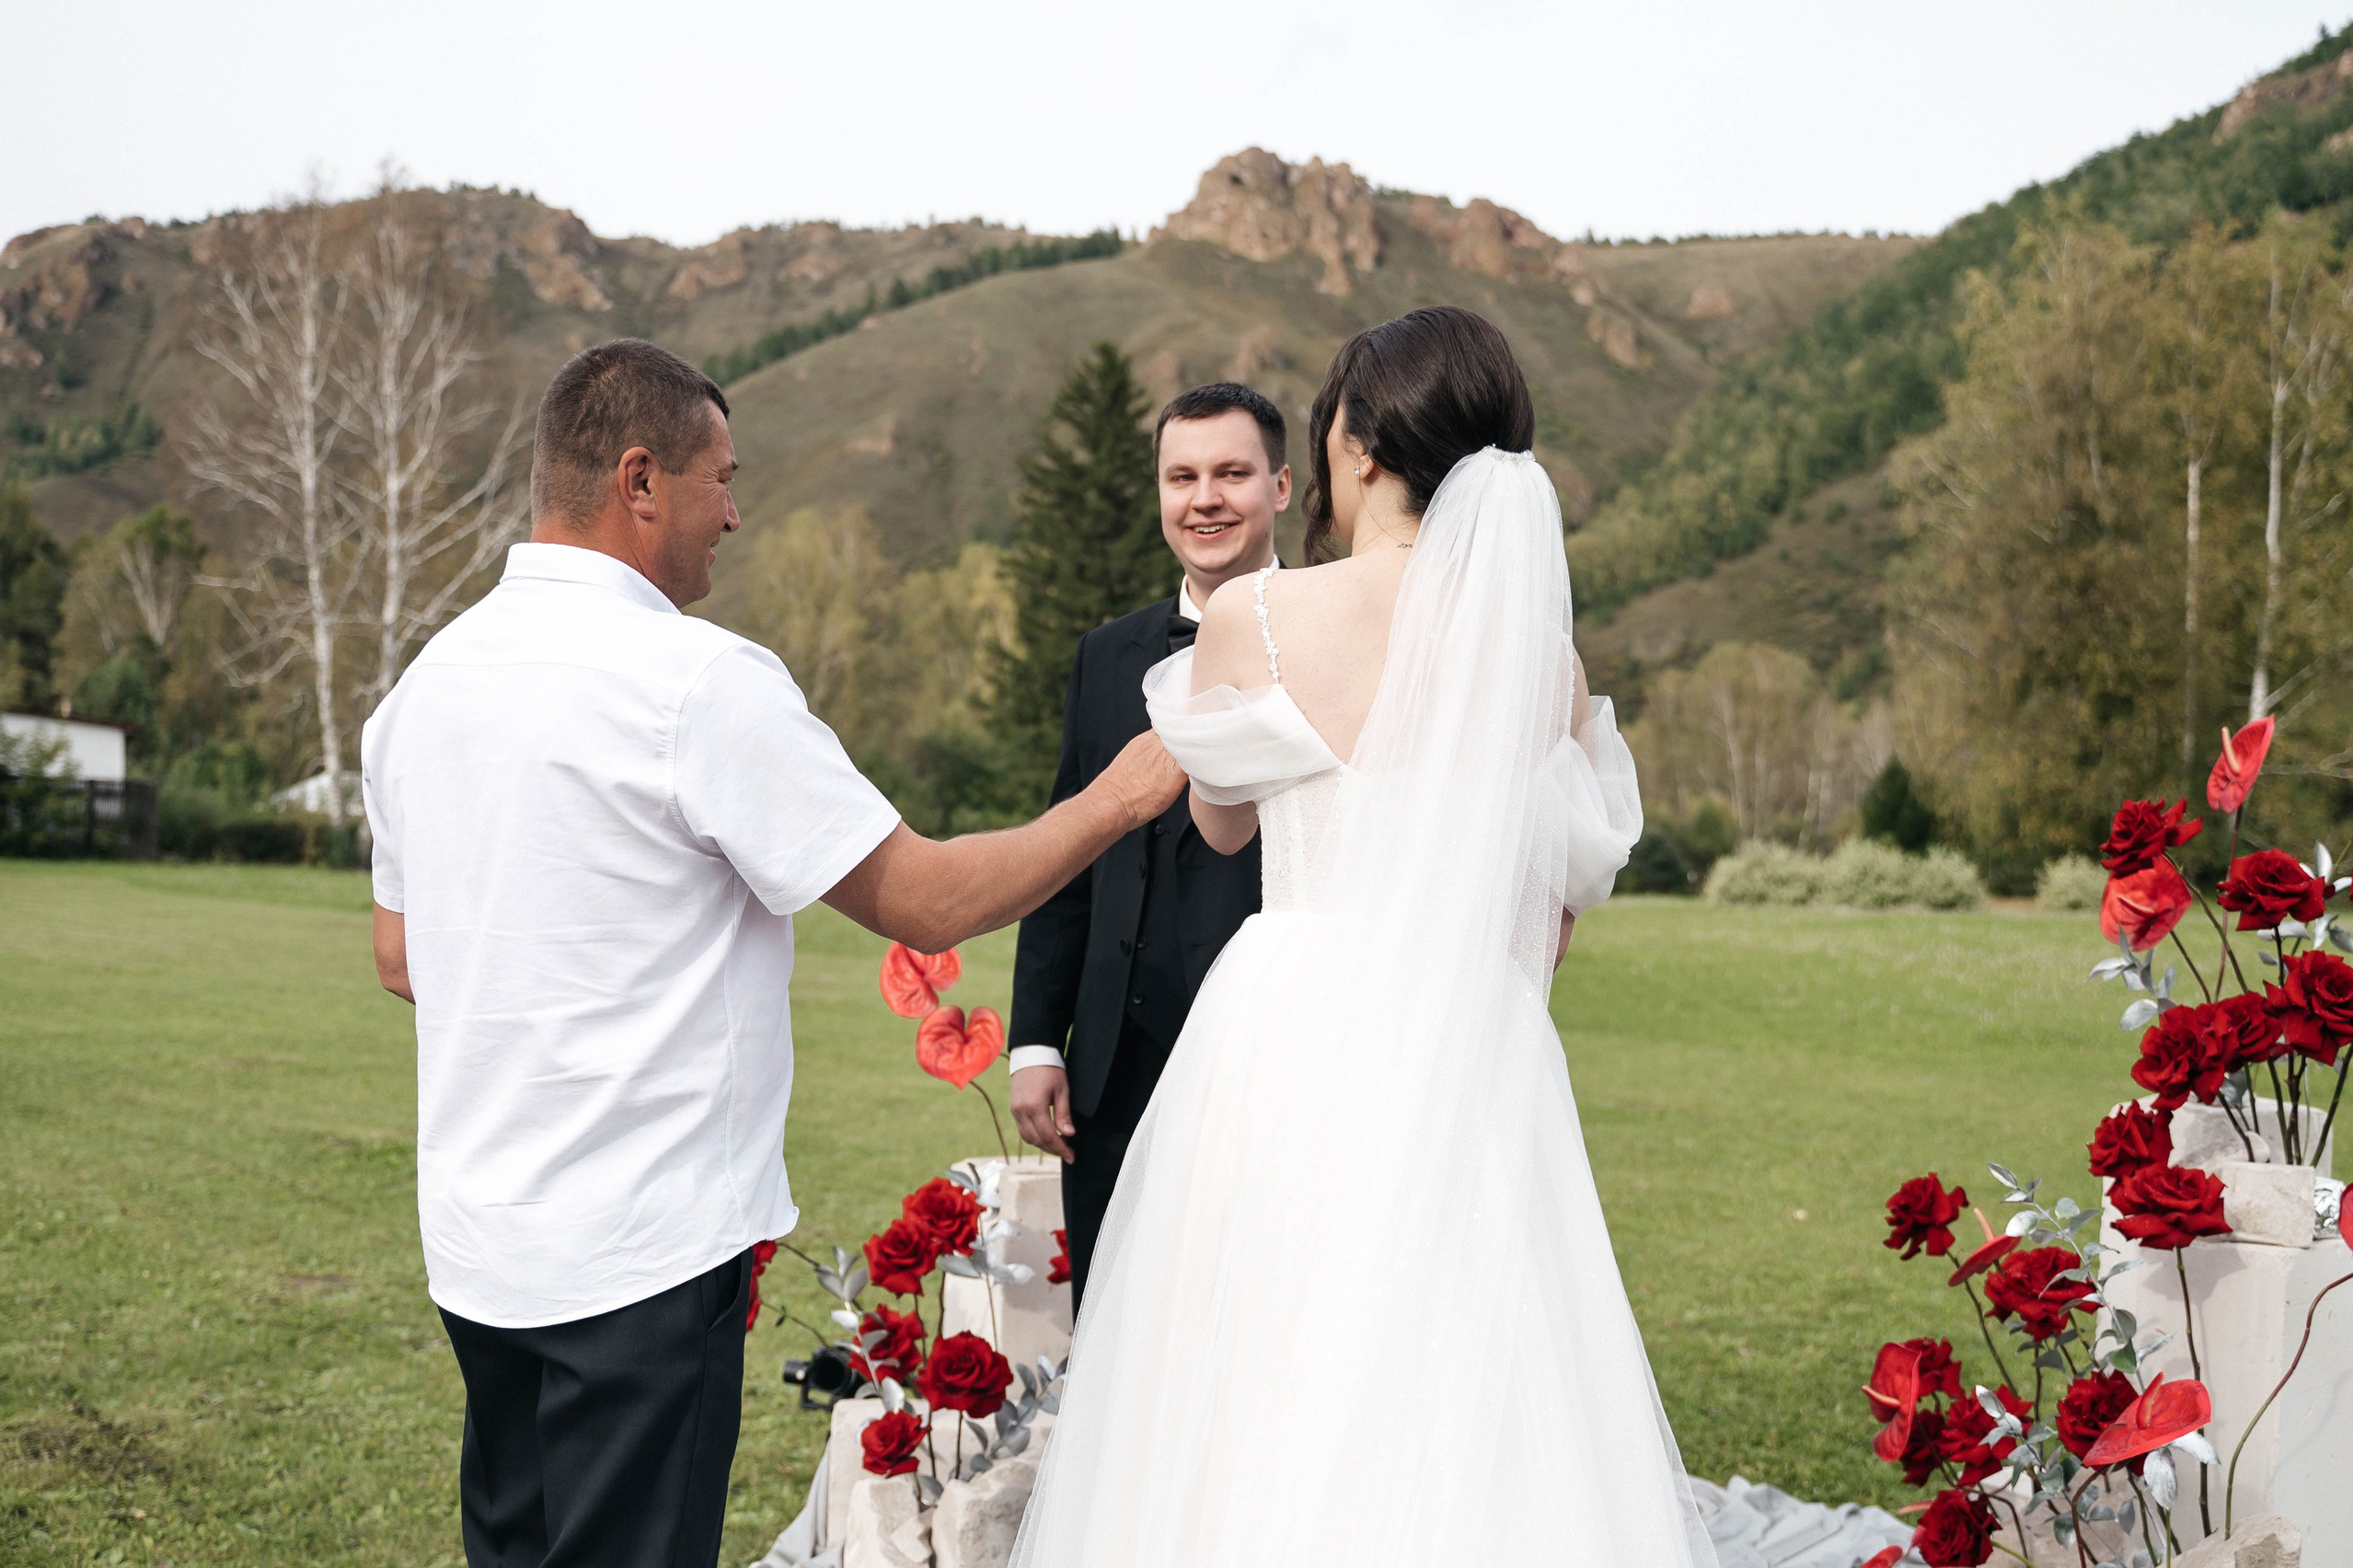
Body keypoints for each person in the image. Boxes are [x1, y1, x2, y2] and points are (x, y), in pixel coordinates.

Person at [359, 339, 1182, 1568]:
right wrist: (1122, 795)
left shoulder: (424, 686)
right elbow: (931, 899)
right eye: (721, 479)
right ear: (641, 482)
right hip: (638, 1259)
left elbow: (401, 955)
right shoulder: (697, 684)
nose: (734, 513)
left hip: (480, 1248)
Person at [1009, 309, 1718, 1567]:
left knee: (1255, 1361)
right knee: (1469, 1367)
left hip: (1295, 1019)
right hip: (1472, 1029)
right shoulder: (1540, 666)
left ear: (1354, 446)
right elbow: (1549, 898)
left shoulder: (1260, 622)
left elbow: (1223, 827)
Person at [1007, 381, 1291, 1308]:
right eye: (1182, 476)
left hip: (1271, 1059)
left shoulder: (1328, 644)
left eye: (1230, 473)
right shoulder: (1105, 655)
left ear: (1280, 487)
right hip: (1109, 1074)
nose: (1203, 497)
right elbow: (1064, 852)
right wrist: (1038, 1040)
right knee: (1116, 1320)